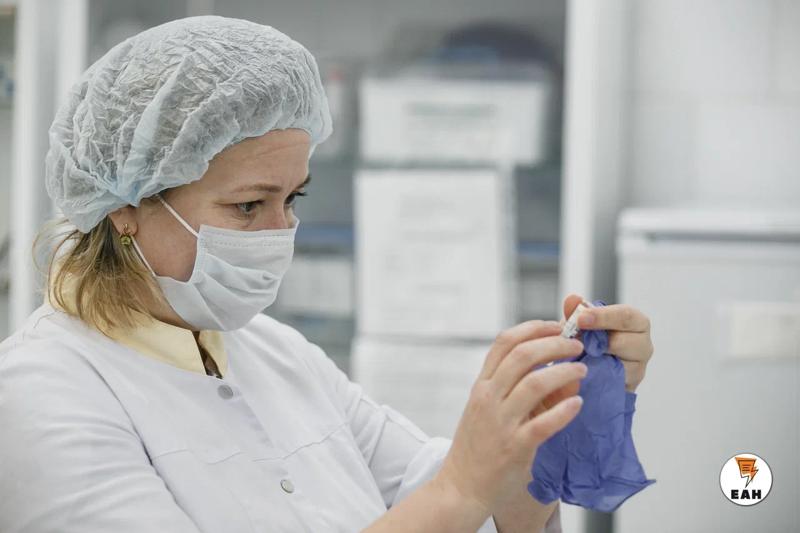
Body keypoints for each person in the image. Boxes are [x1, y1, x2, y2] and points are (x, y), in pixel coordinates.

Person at [0, 15, 655, 533]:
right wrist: (464, 485)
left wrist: (540, 428)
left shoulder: (277, 352)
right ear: (126, 207)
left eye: (294, 198)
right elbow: (452, 496)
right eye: (249, 205)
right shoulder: (40, 395)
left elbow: (468, 509)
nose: (280, 231)